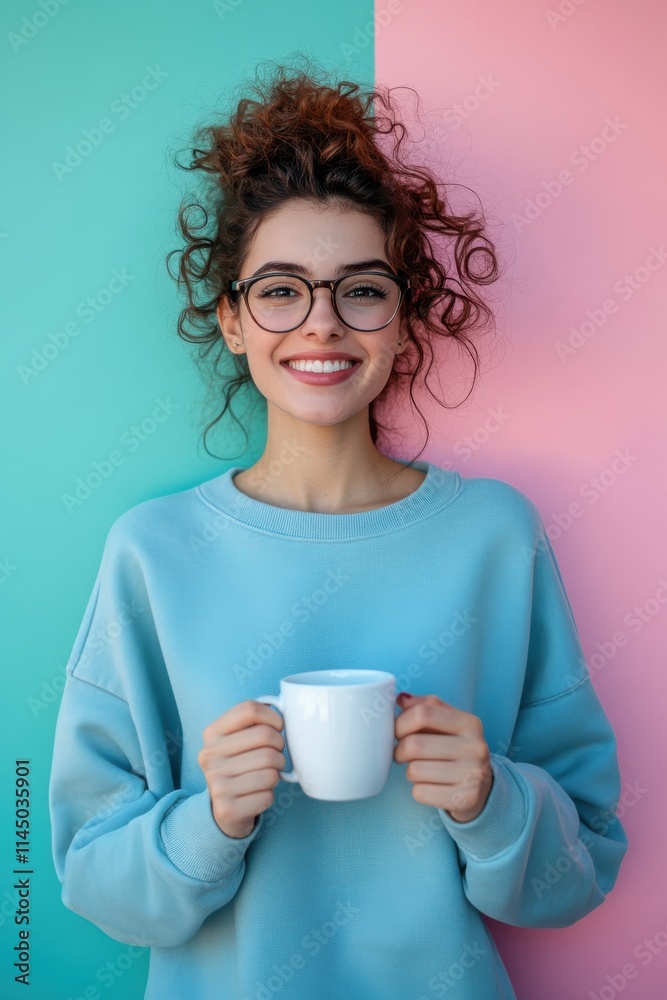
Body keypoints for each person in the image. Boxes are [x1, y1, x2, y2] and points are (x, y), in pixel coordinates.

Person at [49, 62, 628, 1000]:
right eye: (279, 290)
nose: (322, 324)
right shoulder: (150, 552)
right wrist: (211, 820)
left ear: (404, 322)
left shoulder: (494, 537)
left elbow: (580, 873)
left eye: (360, 289)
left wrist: (491, 801)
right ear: (233, 320)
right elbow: (91, 879)